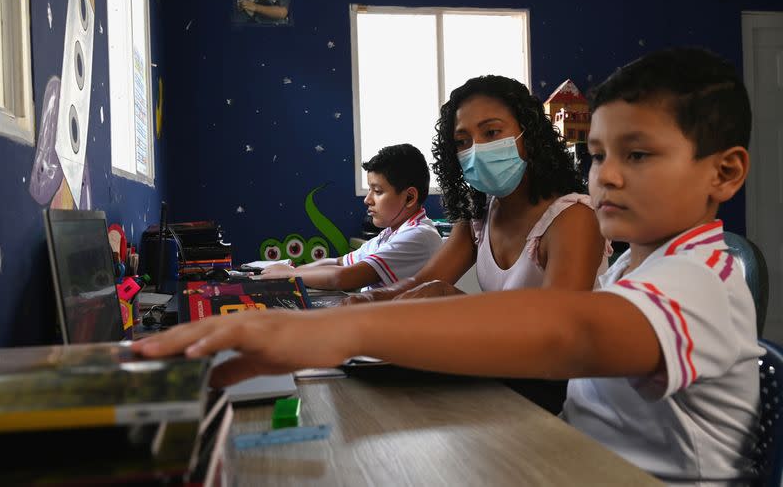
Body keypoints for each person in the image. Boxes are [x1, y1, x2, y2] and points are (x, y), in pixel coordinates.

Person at [134, 47, 761, 484]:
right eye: (597, 155)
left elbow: (569, 331)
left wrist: (333, 331)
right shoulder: (635, 269)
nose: (609, 175)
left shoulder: (703, 278)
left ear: (724, 172)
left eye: (640, 153)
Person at [344, 75, 608, 307]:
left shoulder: (574, 217)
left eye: (491, 132)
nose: (476, 150)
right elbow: (423, 282)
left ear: (529, 137)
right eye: (462, 141)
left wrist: (453, 299)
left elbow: (556, 327)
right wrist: (371, 299)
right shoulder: (480, 214)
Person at [261, 143, 442, 292]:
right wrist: (294, 270)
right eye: (369, 190)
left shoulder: (419, 235)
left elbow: (343, 277)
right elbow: (339, 262)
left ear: (409, 197)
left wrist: (289, 275)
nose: (367, 199)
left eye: (377, 191)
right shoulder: (389, 234)